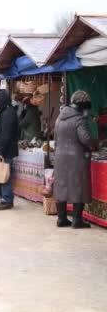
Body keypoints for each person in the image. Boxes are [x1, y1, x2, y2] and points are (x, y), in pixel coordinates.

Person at [53, 91, 97, 228]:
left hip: (60, 157)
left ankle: (61, 218)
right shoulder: (79, 119)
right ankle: (77, 220)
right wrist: (94, 145)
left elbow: (55, 138)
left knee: (61, 186)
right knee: (79, 186)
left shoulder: (59, 118)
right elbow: (86, 138)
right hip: (77, 158)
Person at [0, 90, 19, 211]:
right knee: (6, 173)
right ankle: (6, 198)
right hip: (7, 149)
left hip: (6, 150)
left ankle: (6, 199)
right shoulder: (7, 111)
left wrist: (0, 150)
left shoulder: (8, 113)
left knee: (5, 174)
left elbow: (5, 135)